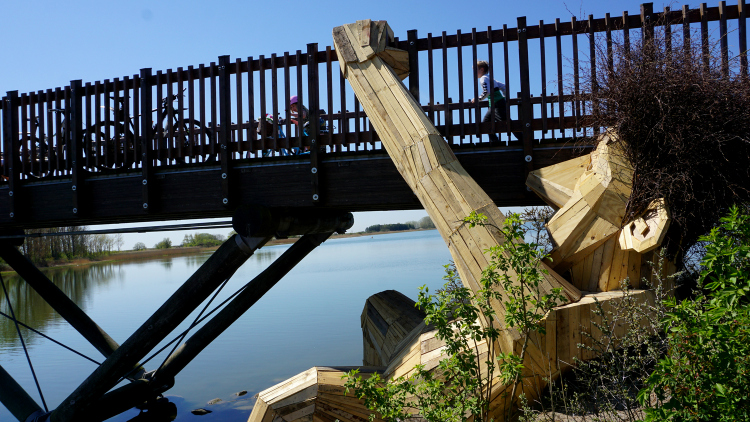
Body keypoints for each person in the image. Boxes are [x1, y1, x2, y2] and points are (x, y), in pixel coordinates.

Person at [469, 60, 520, 142]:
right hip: (495, 104)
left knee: (506, 123)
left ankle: (523, 139)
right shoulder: (489, 78)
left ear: (482, 69)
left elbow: (486, 91)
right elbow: (503, 86)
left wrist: (477, 99)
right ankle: (495, 141)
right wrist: (504, 98)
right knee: (486, 122)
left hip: (497, 104)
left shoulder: (483, 79)